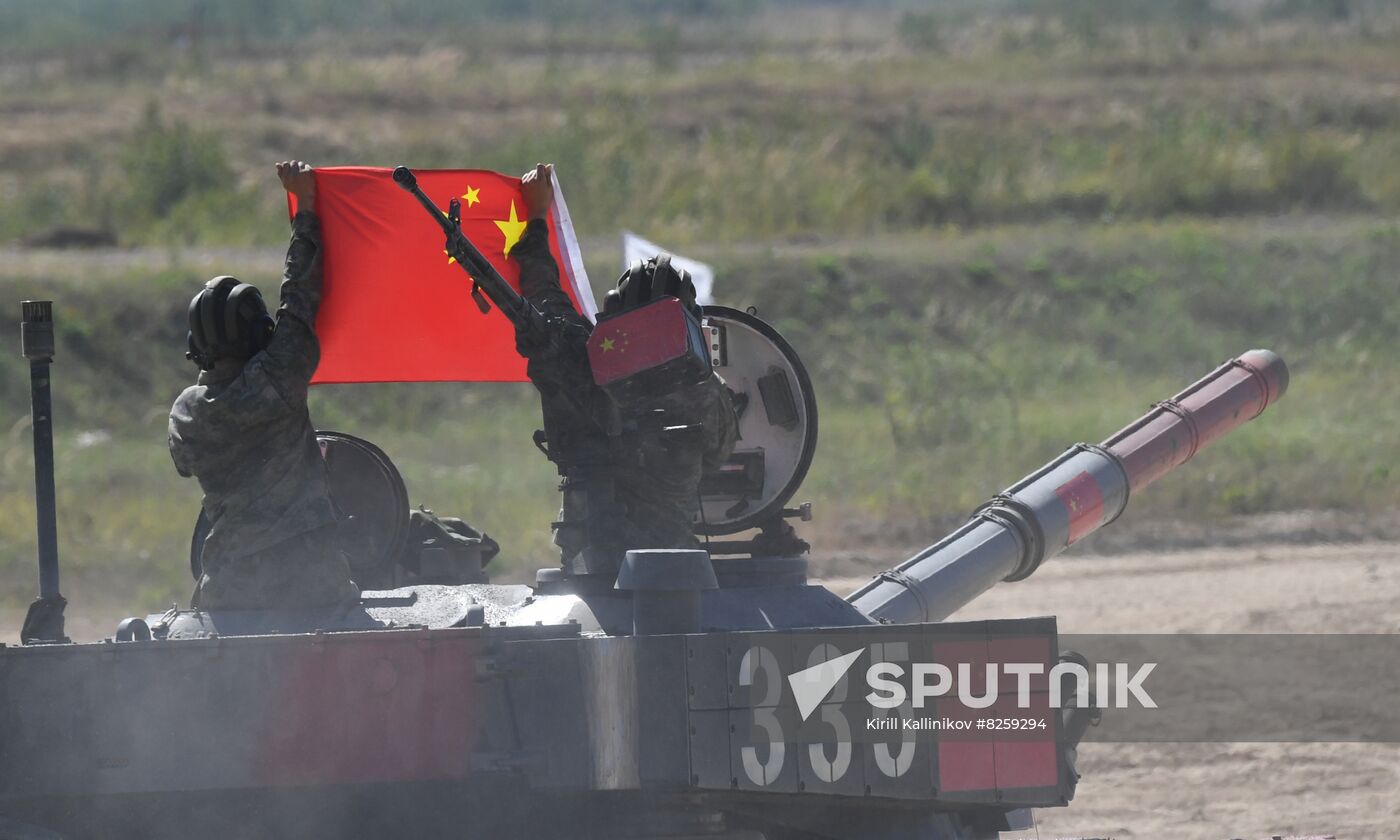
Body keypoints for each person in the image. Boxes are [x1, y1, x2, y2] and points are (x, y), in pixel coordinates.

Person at [509, 163, 738, 580]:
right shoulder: (708, 394)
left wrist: (535, 218)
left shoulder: (581, 360)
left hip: (590, 574)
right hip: (673, 576)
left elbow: (543, 301)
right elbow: (719, 455)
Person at [168, 160, 358, 610]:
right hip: (315, 583)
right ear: (259, 334)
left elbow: (185, 462)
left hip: (232, 589)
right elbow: (301, 296)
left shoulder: (187, 414)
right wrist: (306, 209)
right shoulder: (278, 376)